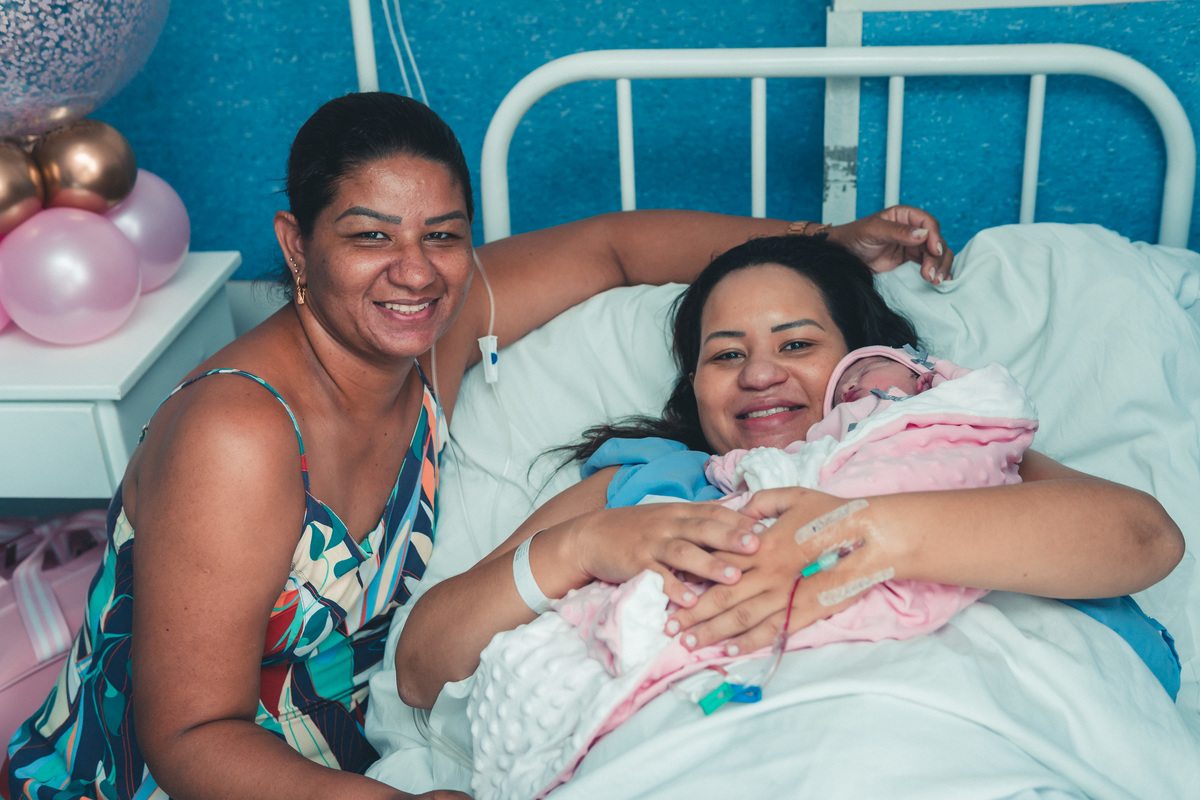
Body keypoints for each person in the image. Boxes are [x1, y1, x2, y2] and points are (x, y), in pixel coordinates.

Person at [2, 92, 954, 800]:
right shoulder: (238, 434)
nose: (414, 272)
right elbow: (189, 736)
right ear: (296, 245)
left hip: (362, 754)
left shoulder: (430, 339)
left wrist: (825, 241)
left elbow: (612, 249)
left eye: (443, 235)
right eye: (370, 237)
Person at [393, 233, 1184, 722]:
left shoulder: (938, 438)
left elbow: (1145, 538)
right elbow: (422, 667)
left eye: (797, 344)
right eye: (726, 354)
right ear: (694, 386)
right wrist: (582, 546)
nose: (760, 373)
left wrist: (863, 535)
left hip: (971, 726)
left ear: (860, 356)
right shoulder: (640, 488)